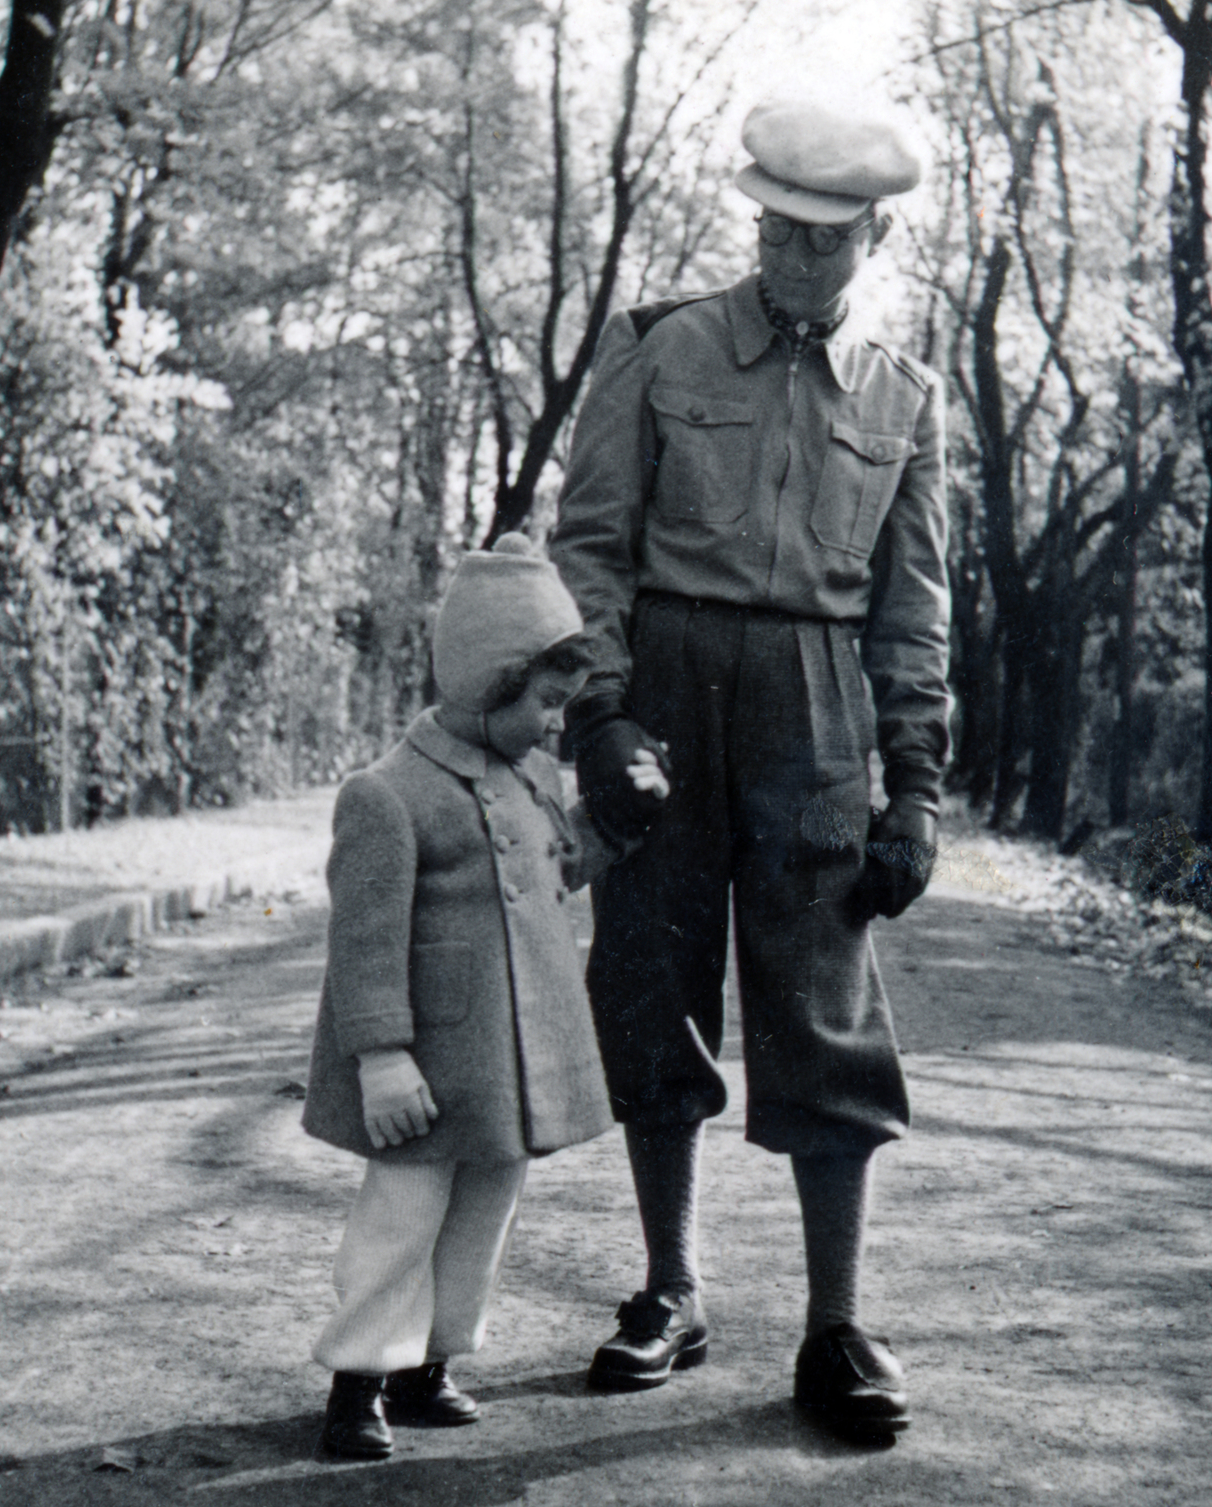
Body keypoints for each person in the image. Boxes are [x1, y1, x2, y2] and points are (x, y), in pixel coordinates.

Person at [548, 98, 951, 1441]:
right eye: (777, 227)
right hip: (664, 687)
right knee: (650, 987)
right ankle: (670, 1287)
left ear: (874, 236)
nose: (793, 255)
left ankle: (835, 1323)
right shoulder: (661, 351)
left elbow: (913, 610)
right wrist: (599, 715)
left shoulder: (905, 396)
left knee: (823, 1010)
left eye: (824, 239)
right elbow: (591, 542)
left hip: (819, 711)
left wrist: (916, 787)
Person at [300, 532, 667, 1460]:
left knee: (484, 1214)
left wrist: (622, 815)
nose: (557, 724)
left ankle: (431, 1361)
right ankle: (358, 1380)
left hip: (515, 1064)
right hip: (425, 1067)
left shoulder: (535, 777)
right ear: (491, 681)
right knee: (401, 1217)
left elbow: (561, 867)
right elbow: (364, 943)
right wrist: (381, 1057)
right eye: (546, 701)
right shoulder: (387, 795)